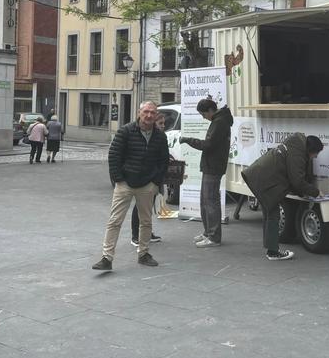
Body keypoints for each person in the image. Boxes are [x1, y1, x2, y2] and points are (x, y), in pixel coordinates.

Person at [93, 101, 169, 270]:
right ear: (139, 112)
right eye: (146, 112)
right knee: (114, 221)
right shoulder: (126, 131)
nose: (149, 115)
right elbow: (114, 155)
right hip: (125, 184)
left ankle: (143, 253)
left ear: (156, 115)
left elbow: (163, 161)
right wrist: (119, 179)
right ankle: (107, 258)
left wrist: (155, 182)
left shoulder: (160, 136)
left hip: (147, 185)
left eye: (152, 113)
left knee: (146, 221)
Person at [241, 133, 322, 261]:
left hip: (259, 175)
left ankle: (270, 248)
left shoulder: (295, 144)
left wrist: (302, 191)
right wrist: (315, 192)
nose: (316, 157)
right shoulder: (298, 155)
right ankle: (273, 252)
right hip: (265, 180)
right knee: (273, 215)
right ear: (310, 150)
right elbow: (297, 181)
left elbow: (294, 180)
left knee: (269, 214)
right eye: (316, 154)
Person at [179, 98, 234, 248]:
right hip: (211, 165)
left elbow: (208, 145)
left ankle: (214, 237)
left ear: (210, 110)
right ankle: (208, 232)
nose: (203, 117)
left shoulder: (219, 122)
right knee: (205, 201)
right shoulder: (219, 120)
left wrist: (188, 140)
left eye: (203, 114)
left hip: (213, 166)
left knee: (210, 201)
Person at [129, 112, 167, 246]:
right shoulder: (145, 137)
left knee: (148, 208)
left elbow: (162, 158)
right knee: (139, 207)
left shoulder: (160, 137)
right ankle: (135, 235)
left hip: (154, 178)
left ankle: (146, 233)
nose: (163, 126)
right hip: (143, 178)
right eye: (160, 123)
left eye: (164, 123)